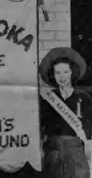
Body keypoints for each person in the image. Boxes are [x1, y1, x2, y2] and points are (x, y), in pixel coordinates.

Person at [39, 47, 92, 178]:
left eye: (65, 72)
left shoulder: (84, 98)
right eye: (58, 72)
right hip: (53, 150)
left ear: (72, 73)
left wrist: (89, 145)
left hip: (76, 150)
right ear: (53, 75)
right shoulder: (48, 99)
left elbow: (89, 125)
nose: (61, 77)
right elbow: (42, 125)